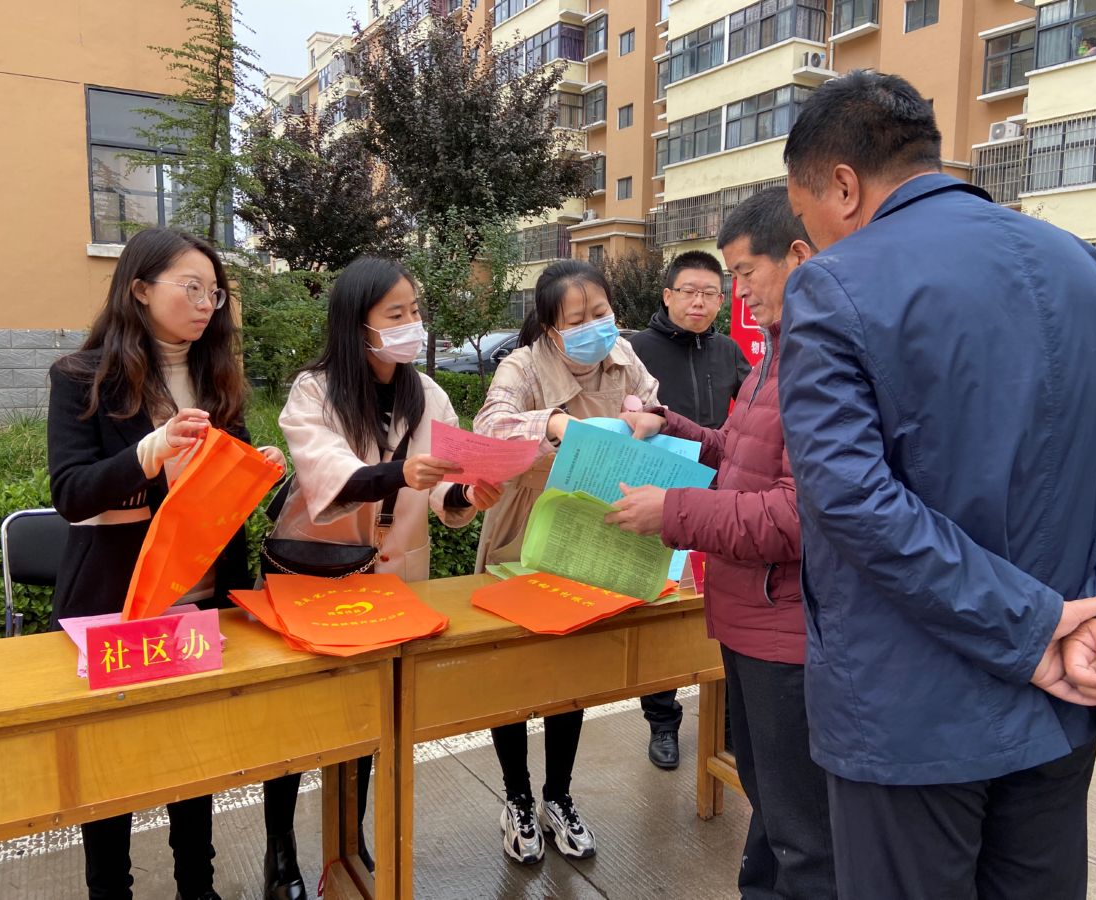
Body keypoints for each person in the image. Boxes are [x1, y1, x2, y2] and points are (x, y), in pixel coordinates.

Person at [778, 70, 1096, 900]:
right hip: (1067, 695)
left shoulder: (836, 283)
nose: (809, 233)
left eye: (801, 210)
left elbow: (850, 495)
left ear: (842, 186)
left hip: (911, 713)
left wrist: (1030, 627)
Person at [608, 188, 836, 899]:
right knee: (769, 803)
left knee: (801, 827)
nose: (734, 294)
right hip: (746, 614)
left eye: (743, 274)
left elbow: (798, 516)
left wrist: (673, 511)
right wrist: (671, 425)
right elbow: (738, 455)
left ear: (797, 256)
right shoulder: (775, 353)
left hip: (783, 626)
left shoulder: (818, 360)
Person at [48, 227, 284, 900]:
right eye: (192, 287)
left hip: (201, 603)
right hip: (116, 607)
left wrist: (256, 471)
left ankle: (196, 886)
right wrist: (148, 452)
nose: (207, 303)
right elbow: (70, 492)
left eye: (215, 292)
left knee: (193, 755)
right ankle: (110, 890)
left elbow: (222, 491)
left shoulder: (216, 378)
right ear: (140, 289)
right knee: (111, 765)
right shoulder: (81, 377)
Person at [260, 256, 502, 900]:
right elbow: (327, 473)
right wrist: (401, 474)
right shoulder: (314, 391)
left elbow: (445, 482)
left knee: (371, 713)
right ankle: (280, 849)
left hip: (394, 577)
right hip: (318, 572)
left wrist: (468, 494)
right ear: (357, 323)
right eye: (396, 314)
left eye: (415, 311)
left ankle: (351, 836)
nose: (412, 324)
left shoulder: (431, 396)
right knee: (297, 717)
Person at [473, 258, 659, 865]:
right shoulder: (522, 366)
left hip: (592, 527)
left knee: (569, 671)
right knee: (511, 670)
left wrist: (649, 420)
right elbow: (490, 426)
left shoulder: (624, 357)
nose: (593, 327)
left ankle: (559, 795)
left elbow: (656, 406)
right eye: (576, 320)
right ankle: (517, 797)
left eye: (600, 312)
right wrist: (552, 421)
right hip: (525, 528)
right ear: (550, 329)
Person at [628, 250, 750, 769]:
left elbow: (750, 413)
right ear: (667, 295)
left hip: (716, 497)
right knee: (659, 607)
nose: (699, 302)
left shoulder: (728, 351)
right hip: (657, 493)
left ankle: (726, 724)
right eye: (689, 292)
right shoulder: (636, 350)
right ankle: (663, 722)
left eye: (710, 293)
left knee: (714, 606)